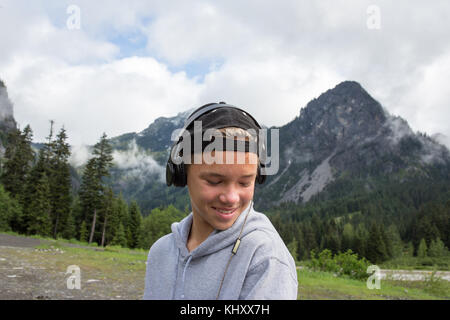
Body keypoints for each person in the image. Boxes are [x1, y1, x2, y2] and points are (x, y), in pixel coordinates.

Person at [143, 102, 298, 300]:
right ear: (182, 174)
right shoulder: (160, 252)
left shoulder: (265, 257)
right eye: (215, 181)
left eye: (244, 182)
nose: (231, 198)